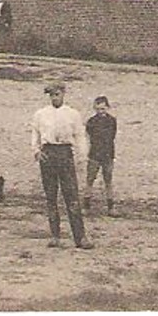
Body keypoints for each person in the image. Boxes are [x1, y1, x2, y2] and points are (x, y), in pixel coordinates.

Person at [30, 83, 93, 249]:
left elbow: (79, 136)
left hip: (65, 154)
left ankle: (80, 238)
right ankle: (55, 236)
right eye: (51, 95)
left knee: (71, 197)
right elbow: (35, 134)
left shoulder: (72, 114)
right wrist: (37, 152)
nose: (54, 98)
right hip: (48, 154)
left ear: (63, 94)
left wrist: (82, 157)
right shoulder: (41, 114)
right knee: (51, 197)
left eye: (57, 94)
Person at [83, 95, 118, 216]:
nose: (100, 112)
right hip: (94, 154)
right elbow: (89, 136)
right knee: (90, 179)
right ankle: (86, 205)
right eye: (98, 109)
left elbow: (112, 135)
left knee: (108, 180)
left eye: (103, 109)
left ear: (107, 108)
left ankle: (110, 207)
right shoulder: (91, 121)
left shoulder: (112, 120)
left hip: (108, 154)